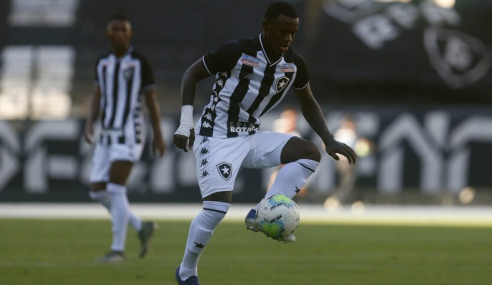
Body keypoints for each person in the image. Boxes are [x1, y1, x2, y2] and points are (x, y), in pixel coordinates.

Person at [173, 2, 356, 284]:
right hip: (216, 135)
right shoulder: (236, 51)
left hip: (251, 136)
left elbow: (307, 101)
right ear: (265, 26)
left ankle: (263, 211)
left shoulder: (293, 65)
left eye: (293, 32)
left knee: (309, 153)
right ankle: (186, 271)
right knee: (216, 210)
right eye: (282, 31)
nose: (288, 38)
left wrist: (328, 138)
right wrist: (186, 123)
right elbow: (191, 74)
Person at [84, 15, 166, 263]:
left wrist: (158, 135)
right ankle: (141, 227)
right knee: (97, 191)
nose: (119, 33)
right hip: (106, 135)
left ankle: (117, 251)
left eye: (124, 30)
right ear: (108, 34)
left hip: (130, 134)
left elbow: (151, 101)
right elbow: (98, 95)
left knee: (115, 189)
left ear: (129, 34)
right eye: (115, 29)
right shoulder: (102, 62)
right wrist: (90, 122)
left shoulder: (140, 62)